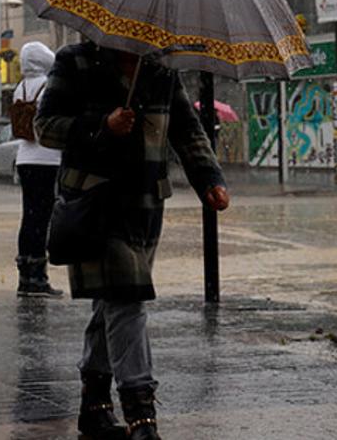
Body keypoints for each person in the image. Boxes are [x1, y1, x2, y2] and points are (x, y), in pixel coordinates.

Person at [35, 42, 229, 440]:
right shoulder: (75, 61)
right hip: (94, 203)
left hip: (144, 206)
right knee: (127, 300)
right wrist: (100, 124)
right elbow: (45, 127)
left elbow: (186, 129)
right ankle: (141, 415)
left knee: (111, 303)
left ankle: (94, 407)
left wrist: (209, 180)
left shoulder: (160, 69)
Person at [12, 42, 63, 298]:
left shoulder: (19, 88)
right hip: (48, 158)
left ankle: (25, 276)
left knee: (28, 217)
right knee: (42, 219)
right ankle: (39, 278)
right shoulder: (49, 86)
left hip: (24, 158)